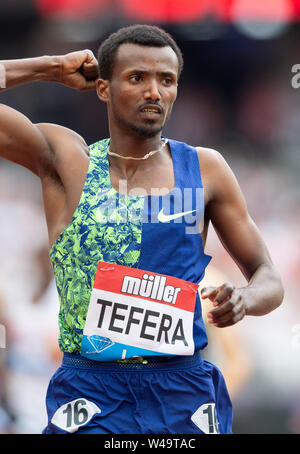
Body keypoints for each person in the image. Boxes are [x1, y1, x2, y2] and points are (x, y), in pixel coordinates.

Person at [0, 24, 283, 434]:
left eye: (166, 80)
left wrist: (245, 298)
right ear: (103, 88)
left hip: (182, 391)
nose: (154, 91)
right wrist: (50, 67)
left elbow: (269, 278)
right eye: (137, 78)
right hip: (91, 392)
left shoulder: (206, 170)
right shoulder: (65, 161)